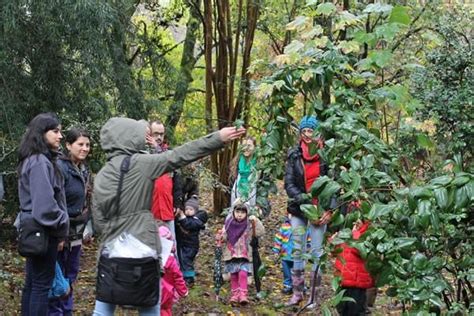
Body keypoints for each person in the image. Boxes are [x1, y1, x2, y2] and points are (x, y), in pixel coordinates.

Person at [92, 117, 245, 315]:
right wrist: (217, 138)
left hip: (110, 251)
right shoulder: (142, 164)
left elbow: (98, 219)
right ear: (129, 138)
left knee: (104, 306)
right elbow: (179, 155)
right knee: (149, 306)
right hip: (143, 247)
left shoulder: (103, 173)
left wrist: (115, 237)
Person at [17, 113, 69, 315]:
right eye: (55, 131)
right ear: (41, 133)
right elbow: (45, 207)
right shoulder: (39, 162)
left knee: (33, 284)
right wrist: (63, 223)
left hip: (37, 231)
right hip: (43, 232)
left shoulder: (37, 159)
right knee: (40, 286)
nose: (60, 136)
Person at [284, 115, 335, 306]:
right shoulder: (294, 154)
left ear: (317, 133)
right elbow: (288, 183)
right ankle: (297, 293)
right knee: (297, 250)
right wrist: (304, 200)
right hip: (299, 208)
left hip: (319, 209)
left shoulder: (325, 155)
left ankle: (314, 296)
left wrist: (328, 209)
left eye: (310, 131)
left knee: (316, 251)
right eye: (304, 131)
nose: (307, 135)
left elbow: (333, 184)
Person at [49, 127, 92, 315]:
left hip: (76, 231)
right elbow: (55, 201)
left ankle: (66, 311)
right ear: (68, 145)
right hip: (60, 231)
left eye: (87, 145)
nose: (84, 148)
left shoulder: (84, 169)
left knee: (70, 273)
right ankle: (55, 312)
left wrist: (89, 227)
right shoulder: (59, 167)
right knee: (56, 278)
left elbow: (86, 201)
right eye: (80, 144)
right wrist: (59, 235)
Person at [218, 202, 265, 306]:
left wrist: (256, 221)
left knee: (243, 273)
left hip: (245, 254)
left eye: (243, 212)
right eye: (237, 211)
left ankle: (243, 294)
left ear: (247, 213)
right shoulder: (229, 223)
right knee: (234, 275)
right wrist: (220, 236)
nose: (239, 214)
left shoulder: (249, 224)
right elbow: (224, 237)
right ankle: (235, 294)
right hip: (232, 254)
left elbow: (260, 232)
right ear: (233, 212)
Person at [147, 120, 184, 238]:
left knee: (171, 249)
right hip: (149, 213)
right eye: (155, 134)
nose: (158, 137)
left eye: (161, 134)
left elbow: (177, 181)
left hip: (167, 210)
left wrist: (178, 203)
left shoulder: (169, 154)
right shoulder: (143, 154)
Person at [334, 220, 374, 316]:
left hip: (357, 282)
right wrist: (334, 241)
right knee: (343, 308)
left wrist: (355, 233)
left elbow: (360, 250)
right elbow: (337, 252)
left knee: (356, 309)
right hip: (343, 279)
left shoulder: (367, 233)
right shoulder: (346, 230)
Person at [229, 136, 270, 217]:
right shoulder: (236, 165)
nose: (246, 148)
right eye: (244, 145)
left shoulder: (261, 167)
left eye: (249, 145)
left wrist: (259, 206)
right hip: (237, 208)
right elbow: (232, 185)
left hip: (255, 208)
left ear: (255, 147)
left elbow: (264, 191)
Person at [175, 197, 207, 286]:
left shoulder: (196, 221)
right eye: (187, 209)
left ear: (195, 211)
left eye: (191, 209)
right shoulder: (186, 219)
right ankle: (184, 276)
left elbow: (188, 225)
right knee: (183, 260)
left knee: (187, 261)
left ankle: (189, 279)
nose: (188, 211)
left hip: (191, 246)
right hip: (184, 244)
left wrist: (182, 217)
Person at [159, 226, 188, 316]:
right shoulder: (171, 261)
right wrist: (183, 291)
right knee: (165, 310)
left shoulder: (151, 258)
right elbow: (178, 277)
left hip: (152, 292)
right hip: (167, 293)